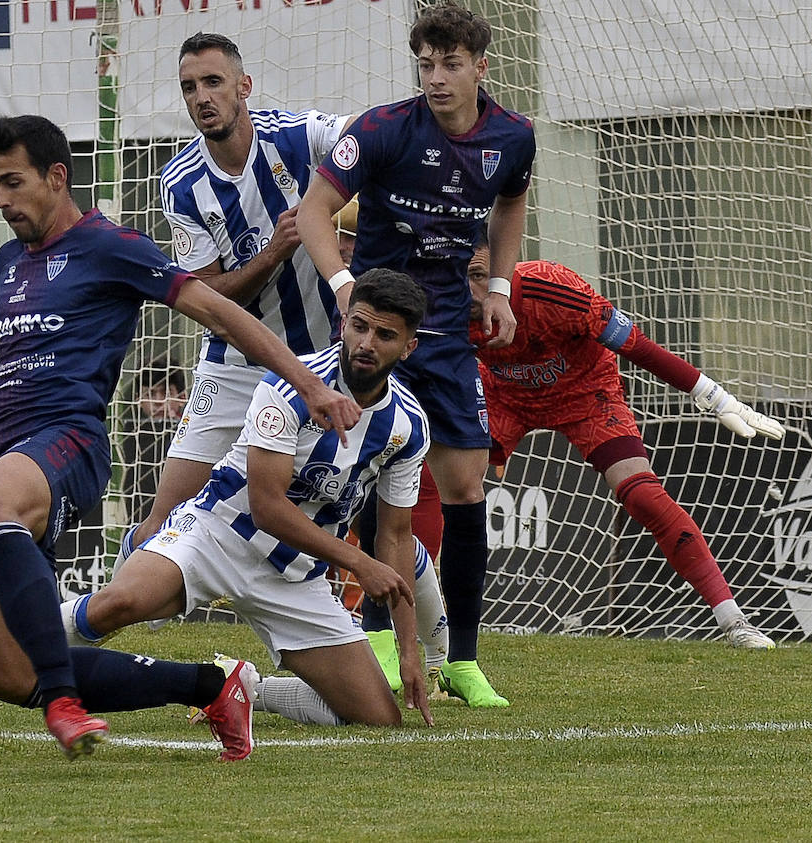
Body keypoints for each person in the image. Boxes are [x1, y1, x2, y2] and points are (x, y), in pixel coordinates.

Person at [0, 114, 362, 759]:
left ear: (57, 176)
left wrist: (310, 385)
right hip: (5, 454)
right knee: (15, 675)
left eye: (13, 182)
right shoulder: (13, 259)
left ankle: (66, 702)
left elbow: (218, 311)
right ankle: (213, 686)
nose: (2, 200)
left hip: (67, 439)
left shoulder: (109, 245)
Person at [0, 269, 436, 737]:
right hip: (216, 533)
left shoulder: (408, 426)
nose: (367, 342)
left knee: (377, 718)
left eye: (385, 335)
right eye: (359, 326)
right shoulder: (291, 383)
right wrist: (357, 562)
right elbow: (266, 506)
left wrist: (410, 653)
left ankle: (245, 687)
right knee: (119, 604)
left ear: (408, 346)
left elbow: (393, 536)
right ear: (344, 321)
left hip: (295, 576)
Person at [296, 1, 535, 707]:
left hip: (449, 339)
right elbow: (313, 212)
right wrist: (343, 289)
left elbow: (511, 203)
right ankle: (372, 638)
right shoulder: (379, 129)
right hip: (374, 336)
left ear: (480, 67)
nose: (436, 77)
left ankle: (461, 659)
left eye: (450, 64)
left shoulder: (513, 138)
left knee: (465, 488)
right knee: (367, 479)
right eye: (426, 64)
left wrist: (499, 286)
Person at [435, 241, 780, 647]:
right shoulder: (441, 306)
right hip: (501, 396)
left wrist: (715, 397)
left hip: (585, 393)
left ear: (503, 270)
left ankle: (734, 622)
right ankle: (422, 626)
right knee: (444, 485)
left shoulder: (554, 287)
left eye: (479, 276)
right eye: (460, 276)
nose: (470, 291)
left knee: (645, 496)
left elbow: (637, 346)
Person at [113, 33, 353, 571]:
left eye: (213, 82)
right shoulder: (179, 183)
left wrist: (356, 205)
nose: (202, 96)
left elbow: (367, 142)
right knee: (166, 512)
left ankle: (411, 635)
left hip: (328, 356)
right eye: (189, 87)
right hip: (236, 364)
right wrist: (272, 254)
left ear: (244, 86)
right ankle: (113, 602)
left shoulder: (299, 136)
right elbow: (207, 294)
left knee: (357, 504)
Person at [121, 357, 188, 521]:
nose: (158, 401)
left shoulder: (191, 432)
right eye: (150, 393)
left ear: (182, 397)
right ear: (138, 399)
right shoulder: (131, 434)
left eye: (165, 393)